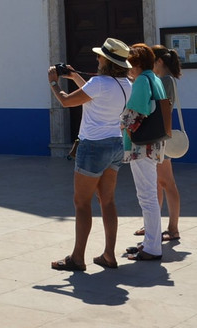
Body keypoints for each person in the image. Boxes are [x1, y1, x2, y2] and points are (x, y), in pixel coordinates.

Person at [48, 37, 133, 272]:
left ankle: (77, 258)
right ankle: (109, 255)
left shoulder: (98, 83)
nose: (96, 58)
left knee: (81, 202)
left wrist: (54, 82)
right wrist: (75, 76)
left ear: (106, 60)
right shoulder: (126, 84)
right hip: (116, 144)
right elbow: (96, 94)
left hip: (93, 146)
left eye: (99, 56)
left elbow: (66, 102)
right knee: (107, 200)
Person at [120, 43, 171, 262]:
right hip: (154, 144)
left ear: (137, 62)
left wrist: (121, 124)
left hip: (141, 146)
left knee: (147, 196)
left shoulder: (142, 80)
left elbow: (134, 113)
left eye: (130, 62)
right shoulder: (154, 78)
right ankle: (151, 241)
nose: (127, 67)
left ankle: (152, 248)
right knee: (149, 196)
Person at [133, 45, 183, 243]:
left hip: (160, 136)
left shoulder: (165, 80)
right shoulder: (160, 80)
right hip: (159, 136)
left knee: (166, 182)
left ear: (159, 61)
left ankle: (173, 227)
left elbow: (160, 107)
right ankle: (153, 225)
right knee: (156, 183)